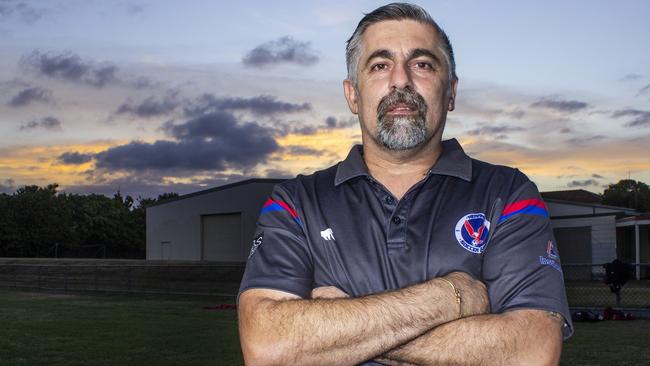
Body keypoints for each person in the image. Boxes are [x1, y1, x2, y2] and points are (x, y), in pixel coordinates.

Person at [238, 3, 573, 365]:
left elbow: (533, 353)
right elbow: (267, 347)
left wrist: (339, 324)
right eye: (380, 65)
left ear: (451, 92)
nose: (401, 80)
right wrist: (449, 296)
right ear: (353, 94)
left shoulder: (508, 194)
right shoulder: (295, 202)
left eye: (422, 64)